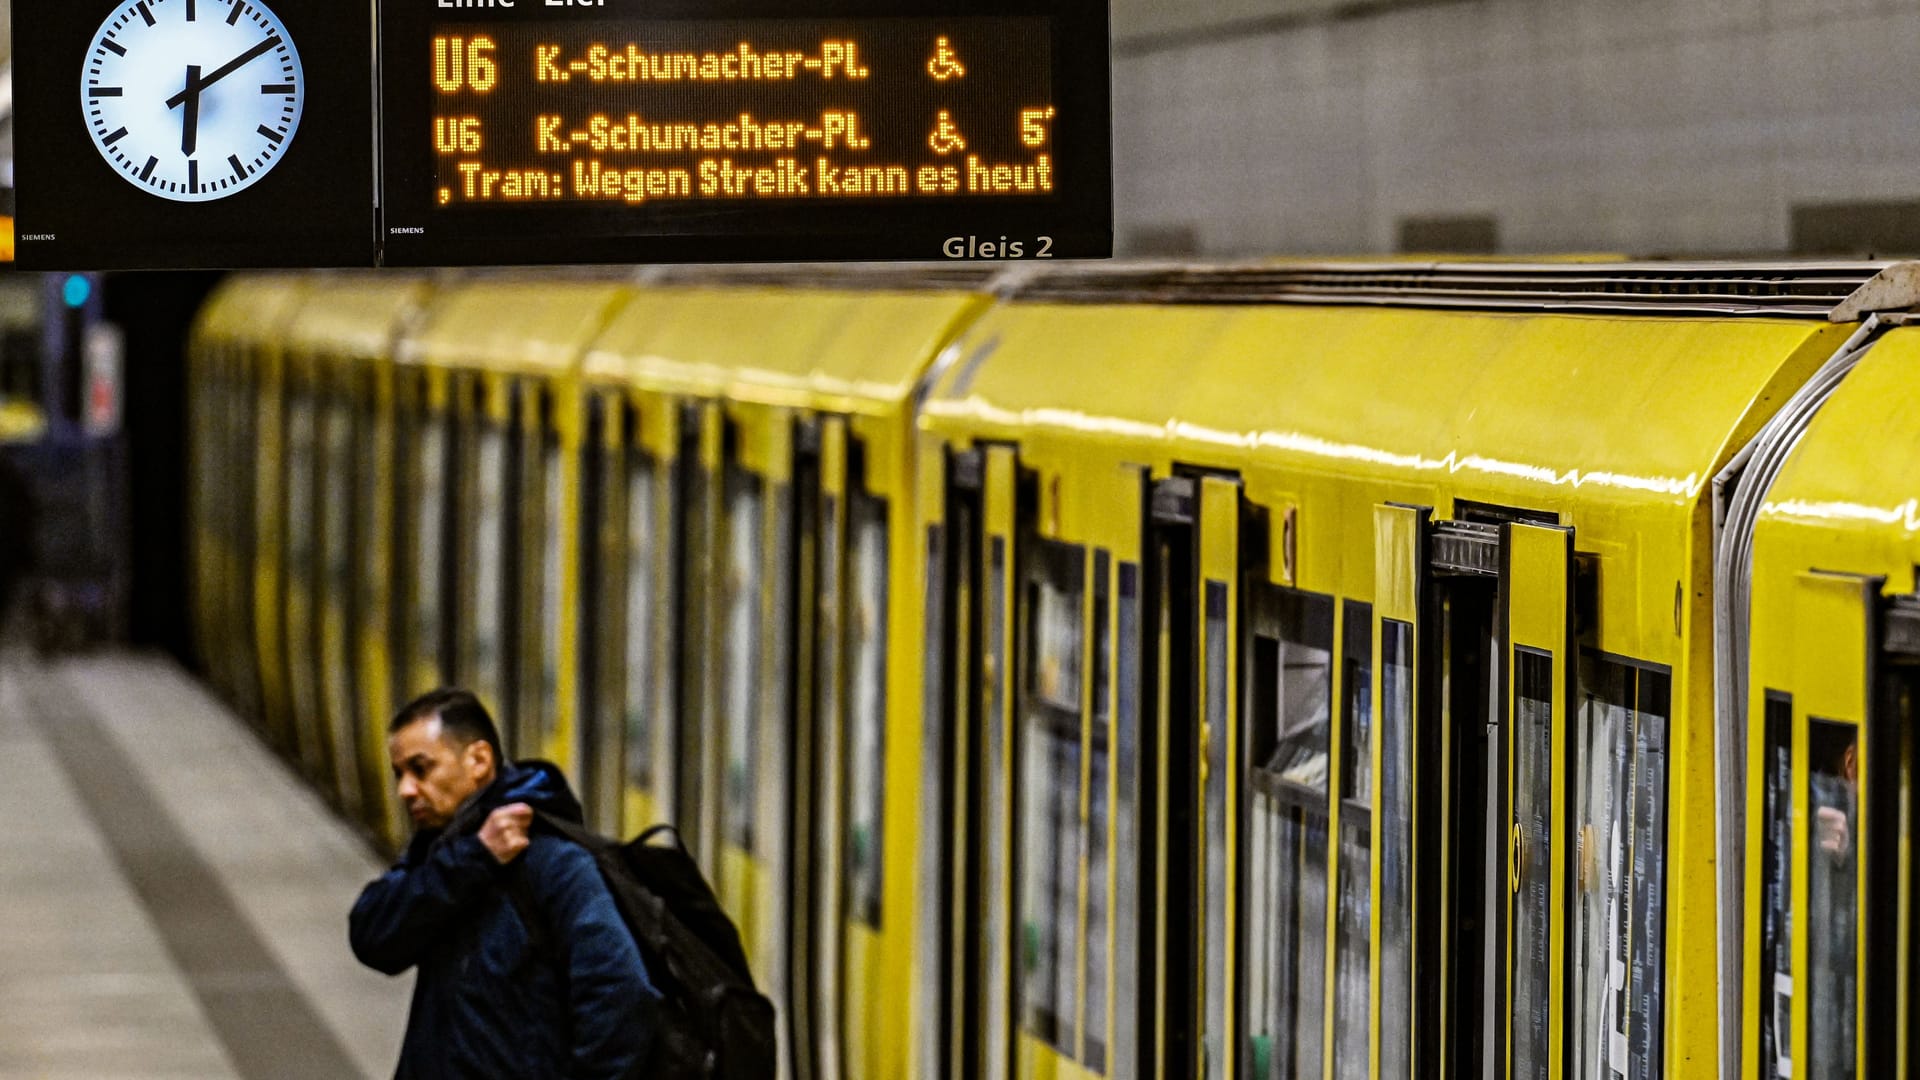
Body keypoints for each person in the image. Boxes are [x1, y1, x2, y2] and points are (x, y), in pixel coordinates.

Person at [350, 689, 661, 1079]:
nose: (405, 790)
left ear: (478, 760)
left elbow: (621, 993)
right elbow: (373, 936)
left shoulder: (555, 861)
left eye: (421, 769)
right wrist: (475, 859)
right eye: (400, 774)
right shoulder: (443, 849)